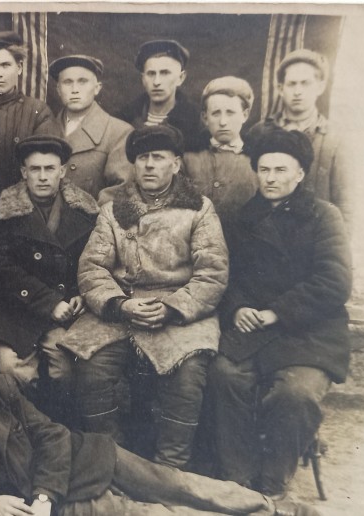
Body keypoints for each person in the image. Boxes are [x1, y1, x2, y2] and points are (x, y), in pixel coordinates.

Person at [0, 331, 317, 516]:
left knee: (175, 484)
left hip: (82, 462)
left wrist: (44, 494)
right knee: (151, 514)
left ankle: (273, 508)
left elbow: (54, 436)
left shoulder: (2, 390)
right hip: (59, 503)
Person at [63, 125, 228, 469]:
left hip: (181, 310)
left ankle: (170, 468)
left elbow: (212, 273)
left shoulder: (199, 209)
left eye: (158, 158)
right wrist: (120, 304)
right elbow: (92, 268)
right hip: (123, 307)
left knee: (188, 374)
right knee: (91, 368)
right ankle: (114, 462)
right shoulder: (113, 210)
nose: (149, 165)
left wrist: (172, 308)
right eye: (142, 158)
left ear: (176, 164)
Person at [209, 128, 352, 498]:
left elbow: (334, 282)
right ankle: (238, 481)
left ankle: (273, 484)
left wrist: (277, 312)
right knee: (224, 376)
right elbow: (228, 276)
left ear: (300, 174)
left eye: (280, 170)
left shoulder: (324, 216)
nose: (270, 178)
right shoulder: (242, 219)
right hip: (254, 328)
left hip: (309, 332)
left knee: (296, 394)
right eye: (264, 169)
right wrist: (238, 307)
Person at [0, 135, 98, 405]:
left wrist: (80, 293)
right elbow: (0, 267)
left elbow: (91, 261)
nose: (43, 177)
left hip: (64, 311)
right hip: (15, 311)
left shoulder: (84, 211)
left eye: (50, 169)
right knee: (12, 371)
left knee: (66, 368)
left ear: (62, 171)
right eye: (35, 169)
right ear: (24, 172)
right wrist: (49, 303)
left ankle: (58, 424)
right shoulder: (2, 211)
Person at [247, 49, 350, 223]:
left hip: (317, 232)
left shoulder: (335, 139)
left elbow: (345, 205)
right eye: (292, 84)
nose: (298, 91)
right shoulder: (260, 132)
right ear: (281, 88)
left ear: (320, 87)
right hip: (268, 231)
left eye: (305, 83)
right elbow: (248, 188)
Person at [0, 31, 61, 201]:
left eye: (5, 65)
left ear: (19, 67)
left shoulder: (38, 112)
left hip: (22, 206)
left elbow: (45, 168)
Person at [50, 54, 133, 199]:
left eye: (82, 82)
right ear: (58, 89)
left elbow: (118, 192)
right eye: (67, 82)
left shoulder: (119, 132)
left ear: (97, 88)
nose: (75, 89)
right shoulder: (45, 128)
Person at [183, 76, 258, 232]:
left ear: (244, 115)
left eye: (230, 113)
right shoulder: (188, 156)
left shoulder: (258, 159)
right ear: (205, 117)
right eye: (216, 113)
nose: (223, 122)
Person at [117, 39, 203, 152]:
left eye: (165, 73)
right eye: (151, 73)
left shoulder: (196, 124)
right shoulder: (124, 120)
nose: (157, 82)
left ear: (181, 78)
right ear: (143, 79)